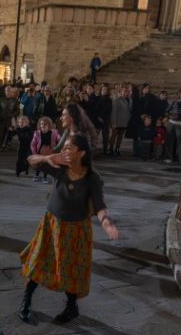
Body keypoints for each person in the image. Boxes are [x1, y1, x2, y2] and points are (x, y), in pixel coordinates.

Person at [18, 133, 120, 324]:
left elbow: (99, 205)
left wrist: (106, 223)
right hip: (52, 225)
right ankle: (26, 302)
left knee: (72, 269)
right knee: (38, 262)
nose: (64, 150)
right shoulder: (59, 168)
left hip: (77, 229)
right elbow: (30, 160)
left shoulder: (92, 178)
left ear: (81, 153)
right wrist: (47, 158)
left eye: (68, 148)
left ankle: (72, 307)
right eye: (63, 147)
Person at [30, 117, 60, 184]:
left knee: (46, 165)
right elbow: (33, 144)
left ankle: (45, 177)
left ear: (49, 125)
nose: (43, 125)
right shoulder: (37, 133)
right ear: (39, 125)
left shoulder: (54, 132)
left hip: (49, 151)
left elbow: (59, 140)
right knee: (39, 164)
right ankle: (36, 175)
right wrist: (34, 153)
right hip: (40, 151)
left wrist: (56, 147)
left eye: (45, 124)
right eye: (42, 124)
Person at [108, 85, 132, 156]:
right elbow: (114, 112)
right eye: (124, 91)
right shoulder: (117, 100)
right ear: (121, 92)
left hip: (124, 122)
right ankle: (111, 149)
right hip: (117, 122)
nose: (126, 93)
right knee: (114, 135)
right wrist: (114, 123)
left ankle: (117, 149)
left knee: (120, 136)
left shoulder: (129, 100)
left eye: (127, 92)